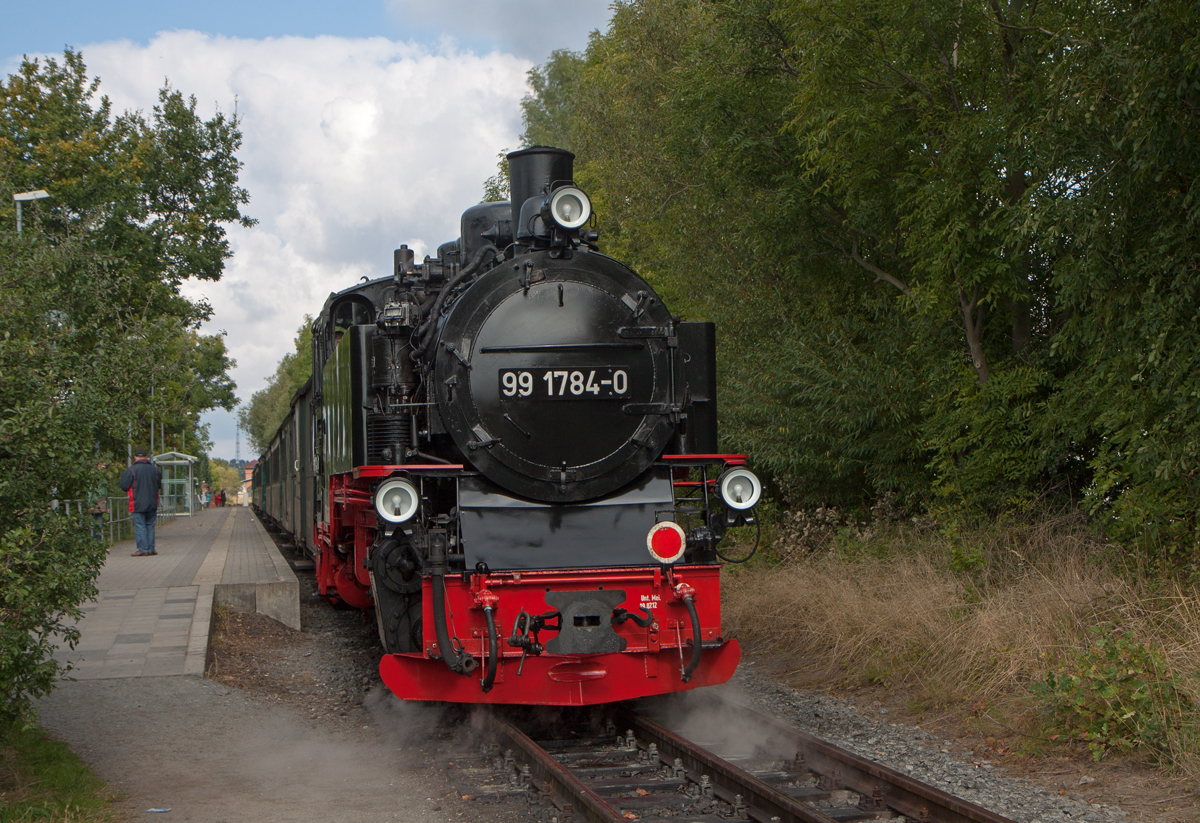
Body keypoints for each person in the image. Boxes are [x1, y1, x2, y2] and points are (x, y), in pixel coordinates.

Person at [119, 449, 161, 557]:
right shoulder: (155, 470)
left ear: (135, 458)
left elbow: (124, 486)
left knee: (140, 526)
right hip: (152, 502)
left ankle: (143, 549)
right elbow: (159, 485)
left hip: (137, 502)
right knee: (150, 525)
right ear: (146, 457)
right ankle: (151, 548)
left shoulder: (131, 470)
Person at [88, 461, 112, 541]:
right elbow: (90, 491)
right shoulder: (93, 477)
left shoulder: (104, 478)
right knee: (96, 523)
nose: (104, 467)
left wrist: (107, 506)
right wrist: (90, 504)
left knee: (99, 522)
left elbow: (106, 493)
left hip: (102, 502)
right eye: (102, 465)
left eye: (105, 466)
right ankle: (96, 540)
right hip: (95, 501)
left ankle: (97, 540)